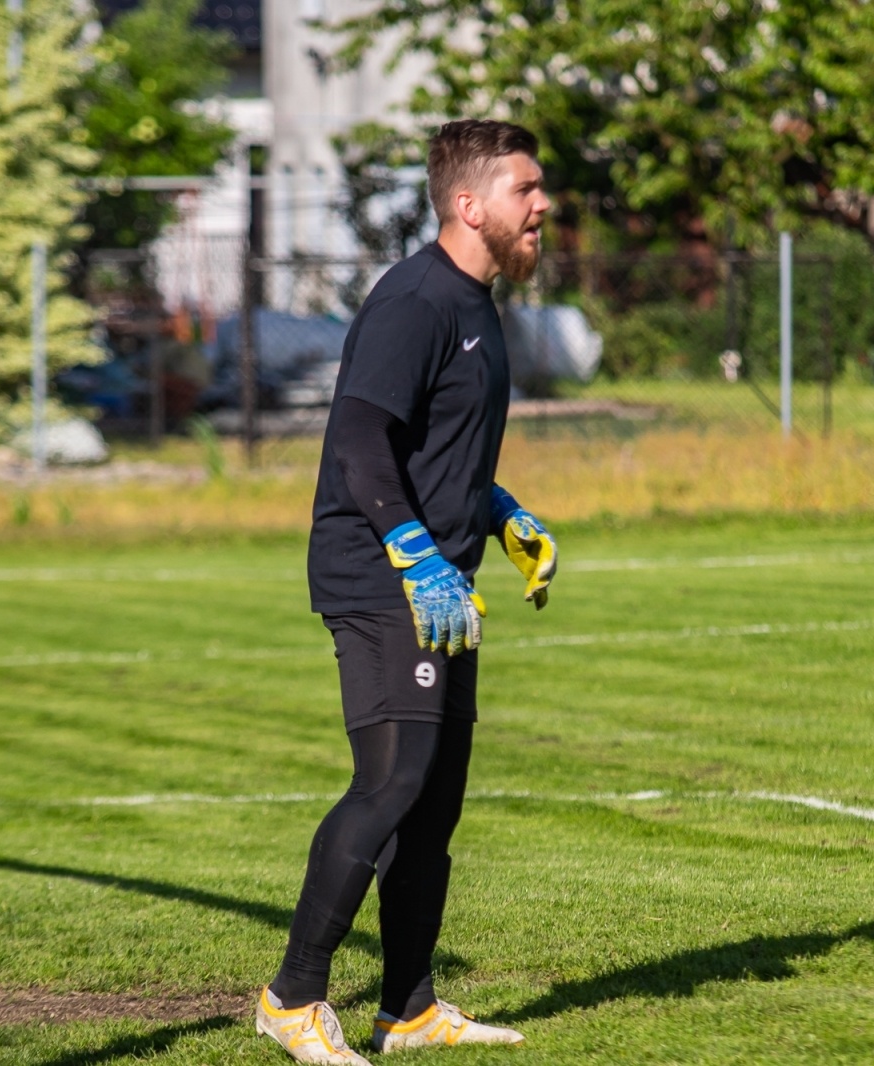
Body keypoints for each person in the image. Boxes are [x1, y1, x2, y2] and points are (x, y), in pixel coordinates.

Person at [254, 119, 559, 1064]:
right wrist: (415, 554)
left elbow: (435, 445)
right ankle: (293, 997)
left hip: (438, 574)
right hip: (381, 574)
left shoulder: (478, 305)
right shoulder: (414, 302)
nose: (542, 205)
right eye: (525, 190)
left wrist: (501, 512)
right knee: (390, 785)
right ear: (469, 206)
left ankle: (410, 1007)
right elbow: (357, 442)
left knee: (434, 803)